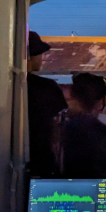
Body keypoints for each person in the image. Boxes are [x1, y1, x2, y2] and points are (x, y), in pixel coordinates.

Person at [26, 31, 67, 177]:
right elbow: (58, 126)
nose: (42, 59)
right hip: (42, 161)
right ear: (30, 57)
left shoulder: (3, 87)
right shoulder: (47, 87)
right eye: (41, 54)